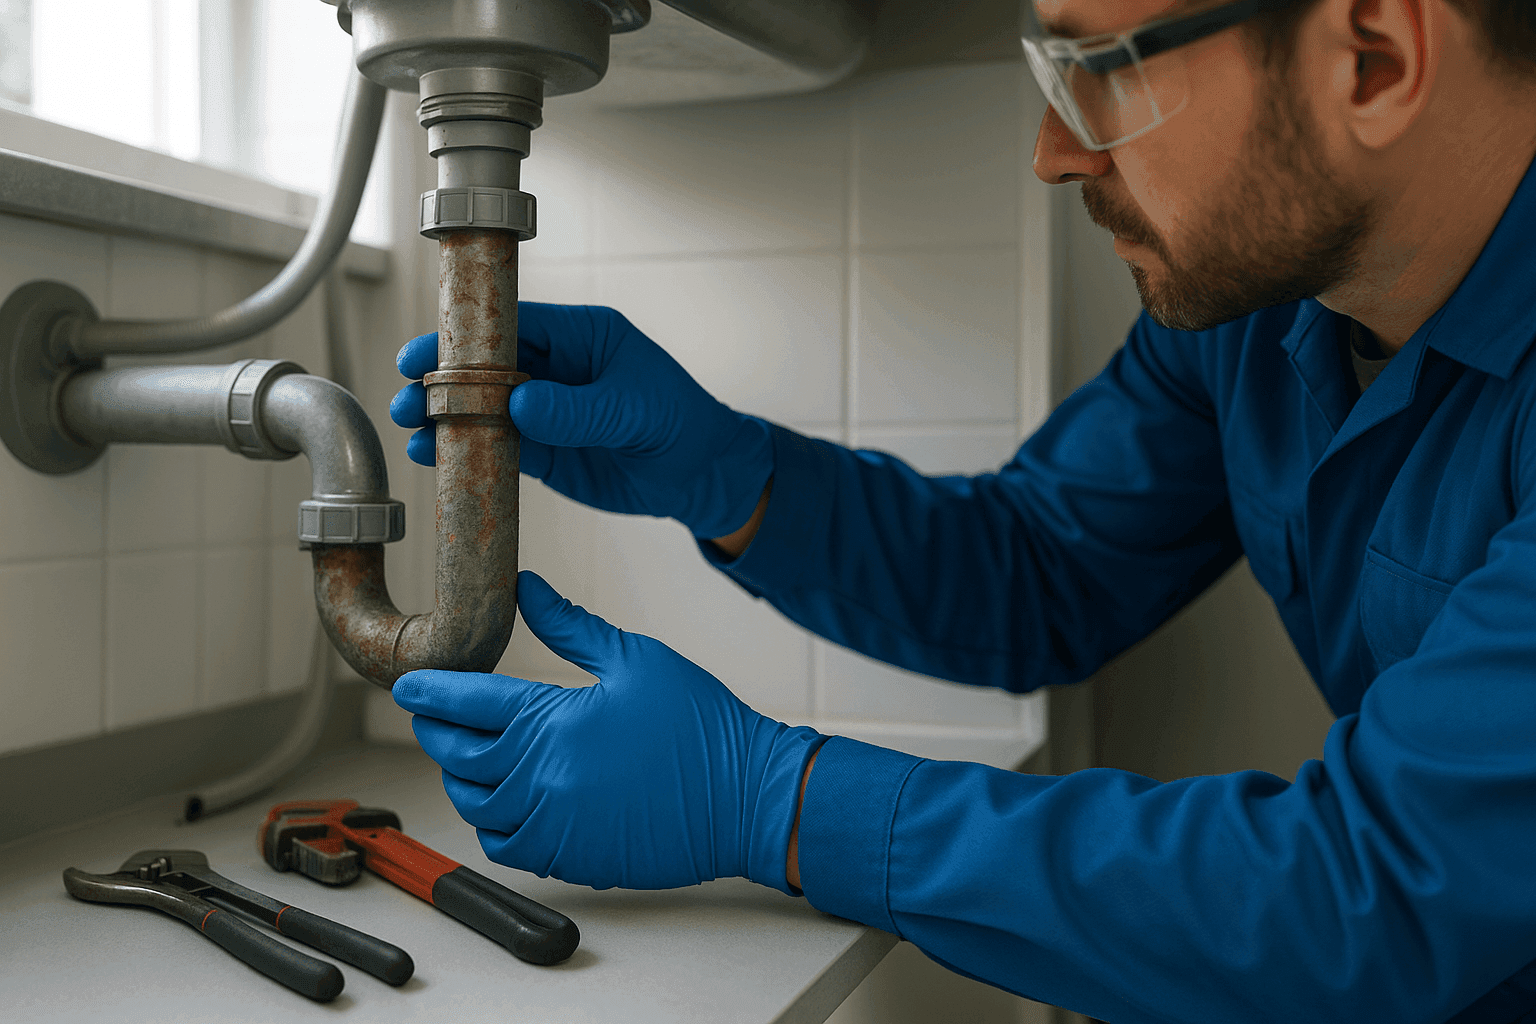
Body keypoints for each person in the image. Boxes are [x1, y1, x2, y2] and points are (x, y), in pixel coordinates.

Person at [386, 0, 1536, 1019]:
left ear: (1376, 58)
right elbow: (1048, 566)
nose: (1052, 151)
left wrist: (772, 801)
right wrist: (730, 475)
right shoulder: (1259, 310)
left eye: (1109, 68)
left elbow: (1367, 899)